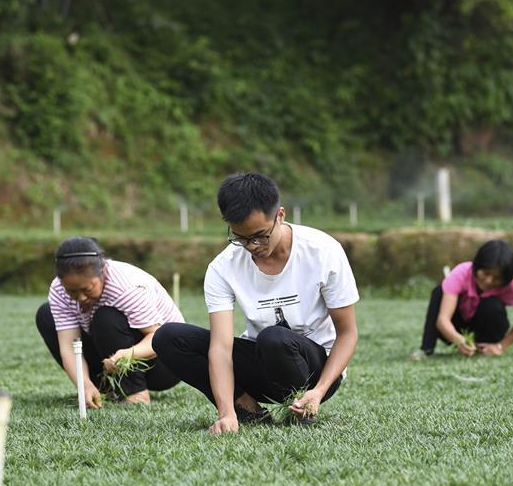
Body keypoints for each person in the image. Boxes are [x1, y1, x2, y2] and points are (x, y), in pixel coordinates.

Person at [153, 172, 360, 434]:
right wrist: (226, 413)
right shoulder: (222, 267)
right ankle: (246, 408)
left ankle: (301, 405)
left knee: (274, 338)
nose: (252, 246)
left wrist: (318, 391)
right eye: (240, 237)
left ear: (280, 216)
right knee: (169, 337)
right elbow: (221, 347)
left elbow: (347, 333)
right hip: (262, 363)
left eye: (261, 235)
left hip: (316, 371)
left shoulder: (323, 251)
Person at [35, 236, 183, 406]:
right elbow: (69, 346)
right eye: (72, 292)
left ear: (103, 272)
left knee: (105, 317)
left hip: (166, 362)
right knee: (46, 315)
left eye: (87, 289)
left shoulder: (126, 287)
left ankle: (135, 393)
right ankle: (100, 390)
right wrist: (84, 384)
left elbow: (157, 337)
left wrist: (128, 354)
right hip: (109, 359)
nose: (80, 298)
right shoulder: (59, 289)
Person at [412, 239, 513, 359]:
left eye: (497, 278)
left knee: (492, 304)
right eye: (486, 273)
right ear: (477, 266)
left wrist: (501, 346)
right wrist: (458, 339)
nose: (489, 281)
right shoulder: (461, 273)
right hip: (456, 327)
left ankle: (484, 348)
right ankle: (426, 349)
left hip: (487, 332)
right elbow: (443, 320)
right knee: (439, 292)